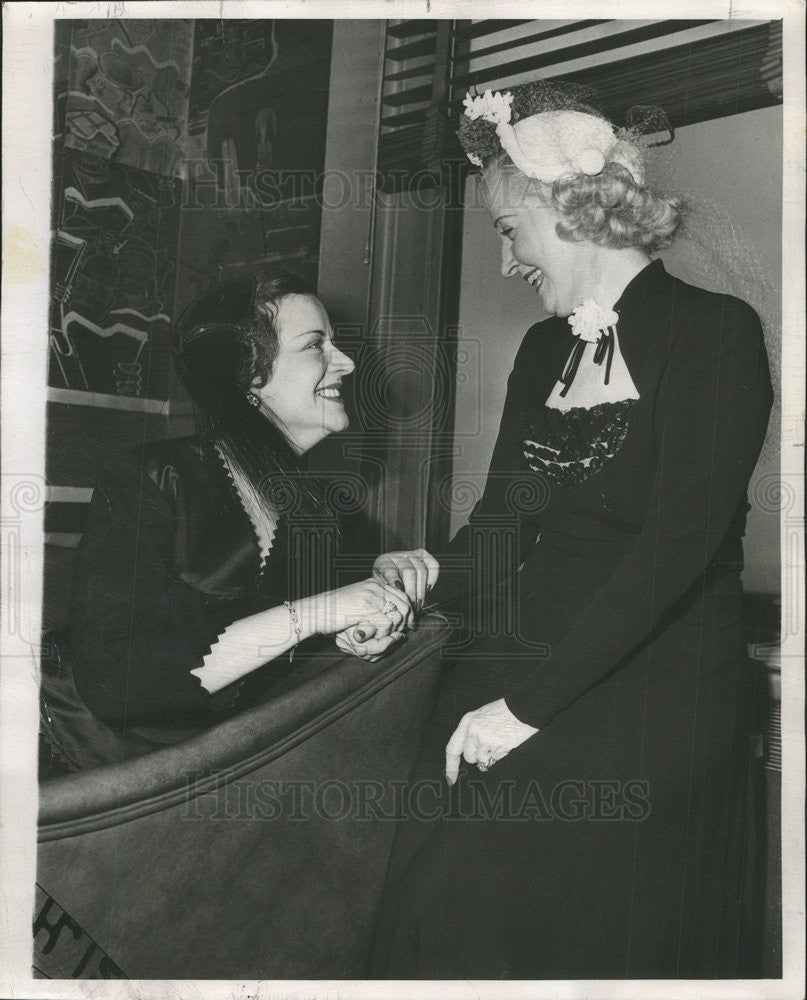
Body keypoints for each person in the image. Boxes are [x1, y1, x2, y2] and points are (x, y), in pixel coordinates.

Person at [370, 80, 773, 979]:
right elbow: (500, 536)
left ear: (567, 209)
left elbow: (677, 550)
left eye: (508, 232)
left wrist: (524, 711)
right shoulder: (543, 351)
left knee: (478, 889)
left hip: (657, 683)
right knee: (411, 863)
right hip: (531, 660)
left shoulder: (714, 333)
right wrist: (416, 577)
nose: (508, 262)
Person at [40, 269, 438, 771]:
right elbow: (116, 687)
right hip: (85, 768)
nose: (347, 363)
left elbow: (311, 645)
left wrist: (374, 604)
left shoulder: (324, 509)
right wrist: (316, 614)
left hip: (217, 770)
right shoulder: (152, 479)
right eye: (316, 345)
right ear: (249, 375)